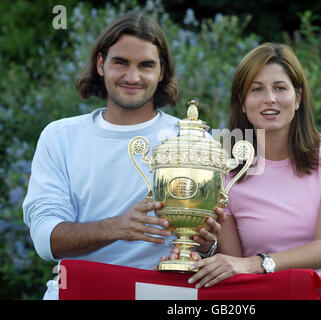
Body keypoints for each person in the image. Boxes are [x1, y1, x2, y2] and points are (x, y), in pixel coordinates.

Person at [23, 12, 223, 299]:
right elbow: (45, 240)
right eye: (121, 63)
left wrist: (205, 245)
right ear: (101, 64)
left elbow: (213, 246)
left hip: (164, 294)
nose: (133, 77)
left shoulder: (194, 140)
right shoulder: (59, 137)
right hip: (80, 289)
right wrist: (117, 227)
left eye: (145, 65)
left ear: (162, 71)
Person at [186, 43, 321, 300]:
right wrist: (206, 250)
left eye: (280, 88)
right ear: (242, 104)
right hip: (261, 296)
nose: (270, 98)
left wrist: (257, 263)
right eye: (257, 89)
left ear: (298, 98)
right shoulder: (224, 163)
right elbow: (234, 264)